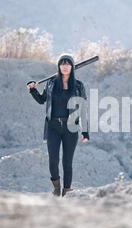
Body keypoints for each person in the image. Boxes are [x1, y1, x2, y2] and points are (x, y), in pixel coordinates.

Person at [27, 53, 89, 197]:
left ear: (72, 67)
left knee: (67, 162)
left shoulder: (79, 86)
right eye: (62, 63)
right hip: (53, 127)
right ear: (59, 66)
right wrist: (33, 90)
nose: (65, 66)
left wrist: (85, 131)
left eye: (68, 64)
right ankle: (56, 188)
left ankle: (67, 191)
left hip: (71, 127)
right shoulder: (51, 83)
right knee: (53, 160)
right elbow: (42, 100)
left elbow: (83, 109)